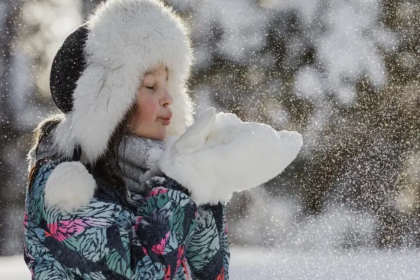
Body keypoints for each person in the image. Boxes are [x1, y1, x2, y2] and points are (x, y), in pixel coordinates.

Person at [23, 0, 303, 279]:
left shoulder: (158, 175)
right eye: (151, 86)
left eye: (170, 84)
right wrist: (179, 185)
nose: (168, 98)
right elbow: (140, 273)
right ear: (108, 100)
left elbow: (210, 274)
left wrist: (207, 182)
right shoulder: (62, 185)